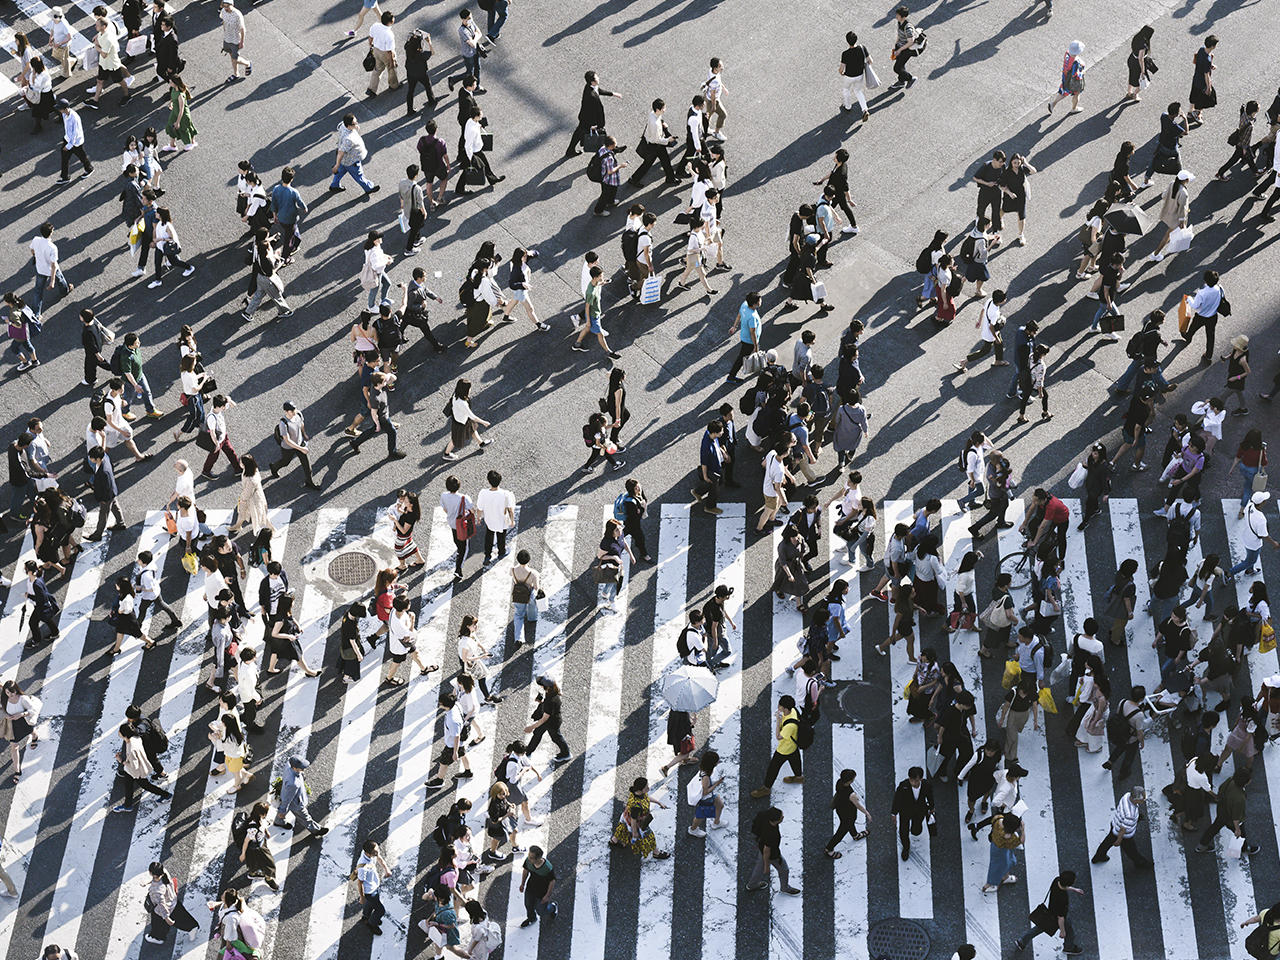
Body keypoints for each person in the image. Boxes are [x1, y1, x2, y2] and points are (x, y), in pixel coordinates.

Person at [1014, 872, 1085, 955]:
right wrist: (1062, 931)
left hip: (1050, 911)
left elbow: (1063, 887)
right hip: (1059, 917)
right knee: (1069, 930)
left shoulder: (1056, 880)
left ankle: (1022, 940)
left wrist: (1073, 889)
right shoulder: (1063, 899)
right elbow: (1060, 917)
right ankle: (1069, 947)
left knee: (1040, 927)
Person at [749, 695, 804, 798]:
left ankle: (766, 788)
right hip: (793, 746)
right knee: (795, 761)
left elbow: (778, 737)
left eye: (780, 706)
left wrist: (778, 721)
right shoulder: (793, 711)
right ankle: (799, 777)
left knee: (773, 768)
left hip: (784, 749)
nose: (778, 707)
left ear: (786, 709)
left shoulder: (789, 726)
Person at [112, 723, 173, 812]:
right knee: (128, 784)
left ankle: (166, 795)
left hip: (136, 772)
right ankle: (127, 805)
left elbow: (134, 765)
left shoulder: (131, 749)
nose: (118, 732)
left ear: (125, 735)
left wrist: (121, 761)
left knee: (146, 785)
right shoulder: (136, 738)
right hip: (134, 769)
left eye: (120, 732)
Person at [143, 861, 200, 944]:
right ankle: (192, 927)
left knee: (158, 924)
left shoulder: (157, 891)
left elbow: (161, 905)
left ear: (152, 873)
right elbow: (157, 879)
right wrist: (149, 881)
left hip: (164, 909)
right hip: (173, 901)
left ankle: (157, 938)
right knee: (182, 917)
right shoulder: (164, 872)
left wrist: (167, 918)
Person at [275, 756, 329, 837]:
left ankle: (278, 822)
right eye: (301, 767)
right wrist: (282, 811)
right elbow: (287, 799)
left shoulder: (288, 766)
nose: (304, 768)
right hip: (296, 803)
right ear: (294, 767)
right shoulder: (293, 784)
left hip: (287, 794)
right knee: (304, 817)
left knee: (284, 808)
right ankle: (316, 830)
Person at [824, 767, 870, 858]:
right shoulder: (850, 794)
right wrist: (867, 814)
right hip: (848, 813)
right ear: (849, 781)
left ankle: (855, 835)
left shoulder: (840, 783)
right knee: (841, 832)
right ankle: (828, 849)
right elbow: (858, 806)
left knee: (849, 824)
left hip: (841, 810)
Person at [891, 766, 935, 861]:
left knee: (916, 830)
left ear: (921, 779)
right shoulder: (904, 785)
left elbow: (930, 796)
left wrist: (932, 807)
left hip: (920, 811)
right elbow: (897, 799)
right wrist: (894, 813)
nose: (913, 783)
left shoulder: (926, 785)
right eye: (911, 780)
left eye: (916, 781)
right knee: (904, 831)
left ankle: (915, 829)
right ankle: (906, 848)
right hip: (905, 811)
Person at [330, 114, 379, 196]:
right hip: (351, 161)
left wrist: (355, 127)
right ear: (349, 126)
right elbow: (341, 152)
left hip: (345, 160)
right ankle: (368, 188)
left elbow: (340, 126)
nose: (357, 124)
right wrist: (336, 165)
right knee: (358, 175)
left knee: (340, 171)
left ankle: (334, 185)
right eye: (355, 123)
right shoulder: (348, 139)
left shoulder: (343, 125)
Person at [54, 100, 93, 186]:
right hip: (68, 139)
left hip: (75, 143)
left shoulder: (74, 118)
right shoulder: (64, 114)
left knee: (82, 157)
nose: (59, 111)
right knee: (65, 158)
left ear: (66, 108)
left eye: (60, 109)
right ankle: (65, 177)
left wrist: (68, 146)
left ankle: (89, 169)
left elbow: (75, 134)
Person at [518, 847, 557, 927]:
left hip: (541, 892)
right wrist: (522, 883)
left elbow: (552, 881)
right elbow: (526, 870)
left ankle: (553, 907)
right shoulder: (529, 862)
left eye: (531, 858)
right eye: (529, 856)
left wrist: (547, 896)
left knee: (541, 911)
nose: (529, 859)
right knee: (528, 905)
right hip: (530, 888)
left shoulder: (547, 868)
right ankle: (531, 918)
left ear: (538, 858)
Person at [838, 32, 872, 121]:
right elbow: (870, 60)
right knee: (858, 91)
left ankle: (848, 107)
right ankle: (865, 110)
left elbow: (842, 68)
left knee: (846, 90)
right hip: (859, 75)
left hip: (849, 76)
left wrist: (841, 72)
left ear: (847, 41)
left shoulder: (845, 54)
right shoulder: (862, 48)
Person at [1047, 40, 1086, 114]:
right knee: (1076, 94)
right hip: (1072, 81)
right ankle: (1074, 108)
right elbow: (1075, 75)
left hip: (1066, 77)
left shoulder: (1067, 53)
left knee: (1064, 91)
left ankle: (1053, 104)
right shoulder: (1076, 62)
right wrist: (1082, 73)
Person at [219, 0, 251, 81]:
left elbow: (243, 29)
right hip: (227, 38)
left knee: (234, 59)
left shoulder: (237, 15)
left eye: (227, 6)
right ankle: (236, 73)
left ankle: (247, 63)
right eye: (224, 6)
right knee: (231, 56)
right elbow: (223, 21)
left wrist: (242, 42)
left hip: (235, 40)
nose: (225, 8)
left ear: (232, 5)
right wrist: (225, 31)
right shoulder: (223, 11)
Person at [888, 6, 919, 90]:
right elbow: (899, 33)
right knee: (901, 65)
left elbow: (911, 42)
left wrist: (900, 50)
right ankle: (901, 82)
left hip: (906, 50)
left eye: (898, 15)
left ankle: (910, 78)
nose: (896, 17)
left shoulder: (908, 27)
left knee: (897, 68)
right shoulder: (900, 22)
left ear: (904, 17)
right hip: (899, 46)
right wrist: (896, 44)